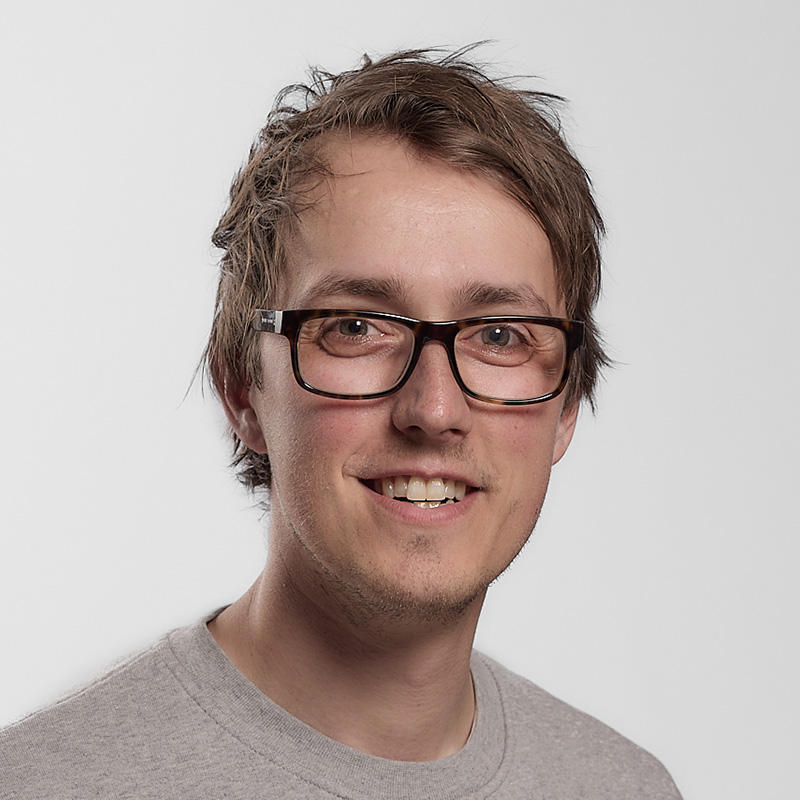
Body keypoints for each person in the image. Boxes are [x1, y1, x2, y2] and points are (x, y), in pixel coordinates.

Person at [0, 48, 682, 798]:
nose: (434, 410)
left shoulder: (625, 788)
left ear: (566, 406)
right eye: (356, 327)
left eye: (499, 336)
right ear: (241, 388)